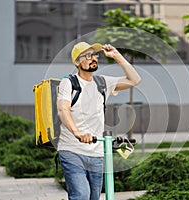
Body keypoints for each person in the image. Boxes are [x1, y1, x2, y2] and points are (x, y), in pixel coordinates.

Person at [56, 42, 141, 200]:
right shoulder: (68, 83)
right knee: (81, 195)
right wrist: (77, 133)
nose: (93, 58)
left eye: (94, 55)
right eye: (87, 56)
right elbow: (63, 110)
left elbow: (135, 80)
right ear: (77, 62)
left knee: (94, 197)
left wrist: (116, 55)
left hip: (96, 153)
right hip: (72, 150)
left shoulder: (103, 83)